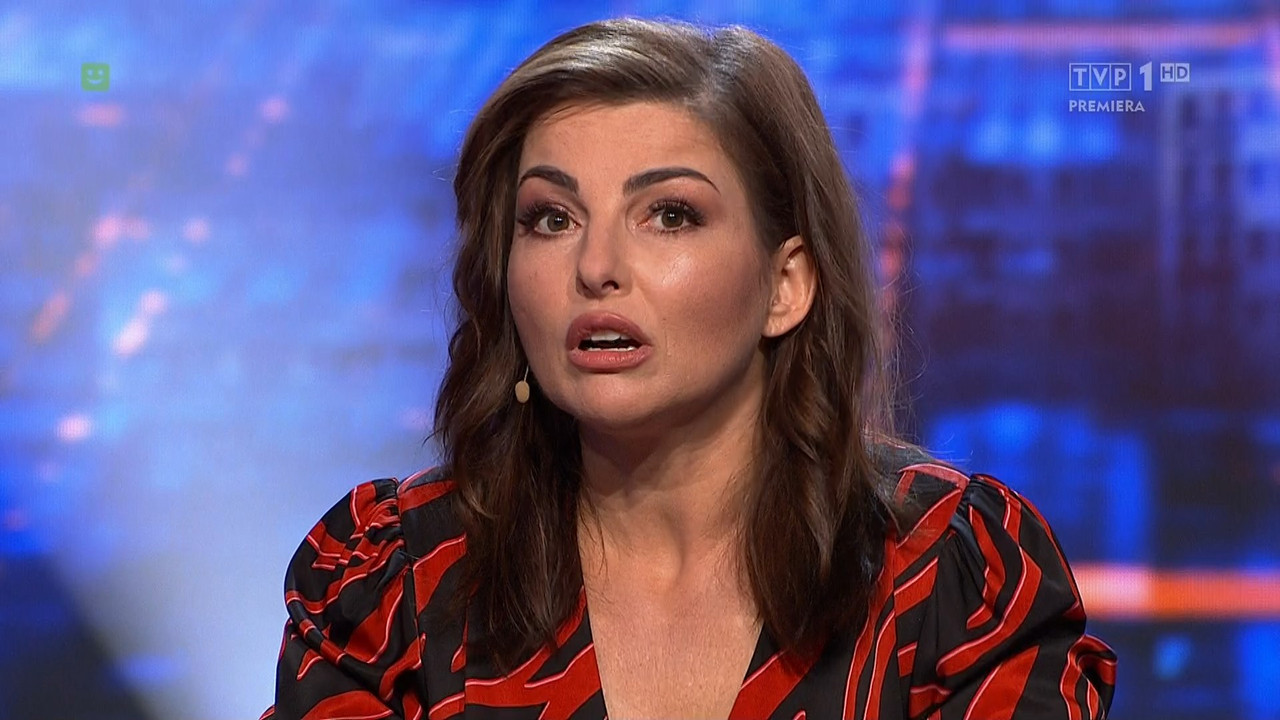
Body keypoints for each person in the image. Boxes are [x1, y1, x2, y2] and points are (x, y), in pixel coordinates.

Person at [263, 18, 1116, 720]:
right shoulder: (395, 592)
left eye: (669, 215)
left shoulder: (947, 582)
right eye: (551, 218)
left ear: (786, 285)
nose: (597, 267)